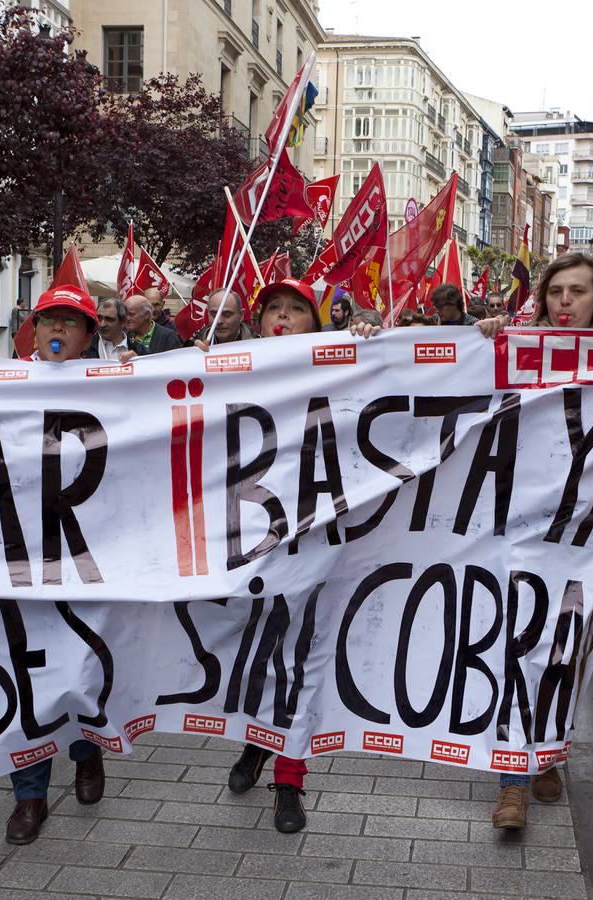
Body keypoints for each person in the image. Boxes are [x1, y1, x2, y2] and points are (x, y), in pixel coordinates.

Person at [474, 252, 593, 830]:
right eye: (555, 291)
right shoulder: (515, 346)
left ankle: (548, 753)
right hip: (519, 526)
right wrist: (484, 334)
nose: (565, 301)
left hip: (587, 532)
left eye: (577, 291)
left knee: (564, 651)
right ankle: (512, 780)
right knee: (517, 648)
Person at [5, 283, 109, 844]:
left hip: (88, 557)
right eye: (49, 320)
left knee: (80, 667)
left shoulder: (116, 383)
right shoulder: (0, 380)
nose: (57, 331)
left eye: (71, 323)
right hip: (20, 557)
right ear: (33, 327)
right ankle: (30, 796)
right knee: (28, 676)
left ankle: (87, 750)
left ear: (89, 335)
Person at [220, 279, 322, 836]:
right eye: (274, 310)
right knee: (253, 653)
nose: (283, 319)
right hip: (247, 544)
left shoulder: (340, 365)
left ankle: (289, 780)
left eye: (296, 310)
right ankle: (255, 746)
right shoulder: (233, 366)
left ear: (315, 321)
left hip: (312, 541)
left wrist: (373, 344)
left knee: (299, 659)